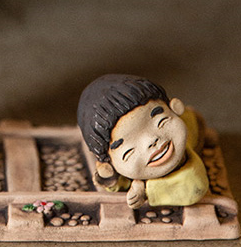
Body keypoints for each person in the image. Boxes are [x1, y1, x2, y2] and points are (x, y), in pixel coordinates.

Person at [77, 74, 209, 209]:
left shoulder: (184, 154)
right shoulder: (125, 167)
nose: (151, 141)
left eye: (161, 122)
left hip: (195, 123)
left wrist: (146, 191)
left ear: (174, 108)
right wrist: (112, 180)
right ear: (109, 164)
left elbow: (194, 184)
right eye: (129, 151)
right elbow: (127, 178)